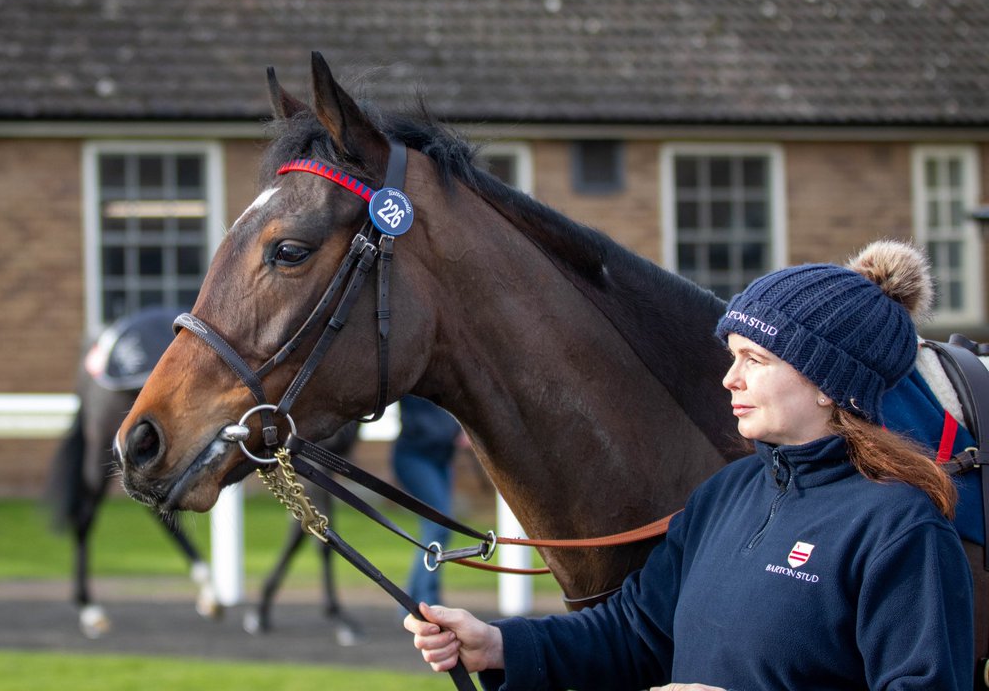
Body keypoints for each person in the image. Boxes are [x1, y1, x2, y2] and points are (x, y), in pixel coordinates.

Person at [404, 240, 974, 691]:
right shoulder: (726, 494)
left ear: (828, 384)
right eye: (732, 357)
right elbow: (636, 633)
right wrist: (498, 645)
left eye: (755, 359)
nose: (731, 379)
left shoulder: (901, 529)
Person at [393, 394, 464, 606]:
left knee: (436, 529)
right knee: (439, 526)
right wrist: (451, 432)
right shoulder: (414, 377)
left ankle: (413, 602)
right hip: (413, 457)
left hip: (441, 459)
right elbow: (429, 423)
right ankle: (426, 601)